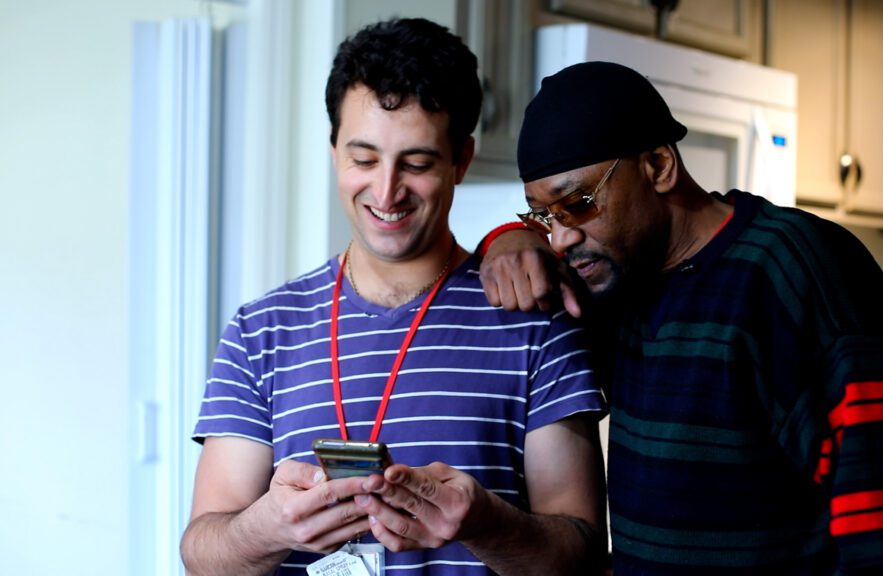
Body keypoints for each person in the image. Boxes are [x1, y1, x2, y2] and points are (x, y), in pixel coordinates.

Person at [479, 60, 883, 574]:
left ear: (659, 165)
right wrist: (508, 237)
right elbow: (522, 263)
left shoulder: (797, 269)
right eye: (543, 216)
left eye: (577, 203)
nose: (561, 238)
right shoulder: (616, 282)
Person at [180, 19, 607, 576]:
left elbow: (581, 554)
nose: (386, 191)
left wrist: (485, 524)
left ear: (461, 160)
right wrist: (269, 527)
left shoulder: (535, 320)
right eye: (363, 159)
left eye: (417, 163)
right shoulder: (261, 330)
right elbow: (202, 555)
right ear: (333, 149)